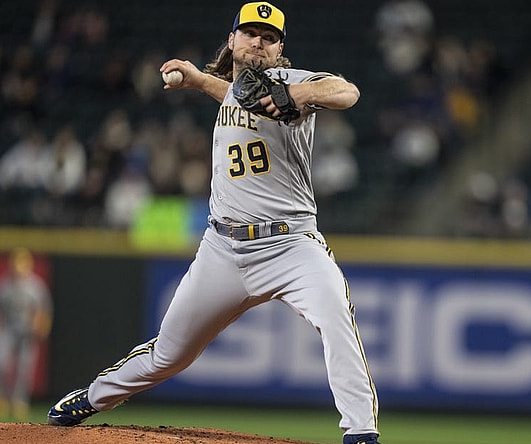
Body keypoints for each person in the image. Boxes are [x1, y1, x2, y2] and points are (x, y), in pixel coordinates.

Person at [46, 2, 380, 443]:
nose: (258, 41)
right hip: (222, 250)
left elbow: (346, 91)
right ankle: (92, 396)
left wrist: (297, 95)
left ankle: (361, 434)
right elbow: (232, 94)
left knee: (336, 314)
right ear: (233, 39)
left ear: (281, 50)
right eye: (250, 33)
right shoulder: (237, 90)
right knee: (169, 355)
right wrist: (197, 78)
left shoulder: (291, 82)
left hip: (290, 244)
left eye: (269, 37)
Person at [0, 247, 53, 420]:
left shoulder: (36, 286)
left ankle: (19, 401)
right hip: (7, 329)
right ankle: (0, 397)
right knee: (0, 363)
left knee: (24, 368)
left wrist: (41, 327)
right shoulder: (2, 286)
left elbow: (43, 310)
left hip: (26, 332)